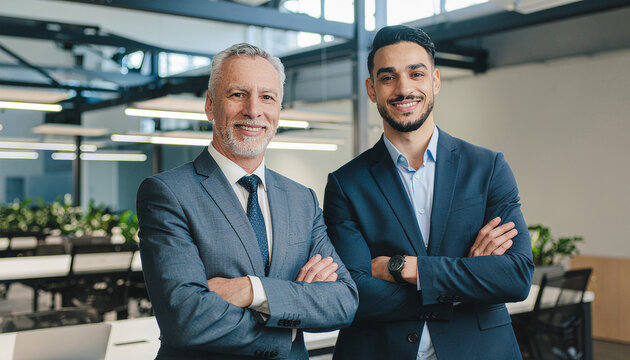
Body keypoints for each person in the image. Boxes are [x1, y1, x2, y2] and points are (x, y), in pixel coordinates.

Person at [323, 25, 534, 360]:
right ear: (372, 89)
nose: (404, 88)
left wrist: (406, 269)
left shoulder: (488, 167)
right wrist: (466, 278)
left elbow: (516, 277)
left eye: (415, 73)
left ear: (434, 81)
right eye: (388, 77)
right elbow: (355, 292)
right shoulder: (346, 183)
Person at [137, 43, 358, 360]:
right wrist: (292, 319)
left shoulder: (301, 199)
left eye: (267, 97)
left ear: (279, 109)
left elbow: (343, 301)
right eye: (238, 94)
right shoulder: (167, 193)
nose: (254, 110)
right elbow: (185, 319)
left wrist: (252, 290)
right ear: (211, 105)